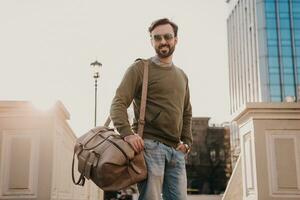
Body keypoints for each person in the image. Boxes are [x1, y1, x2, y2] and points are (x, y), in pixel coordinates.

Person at [110, 18, 192, 200]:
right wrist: (127, 133)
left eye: (167, 37)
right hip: (149, 147)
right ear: (151, 41)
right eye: (157, 38)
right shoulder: (140, 68)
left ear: (176, 40)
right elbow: (118, 103)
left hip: (176, 152)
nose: (163, 41)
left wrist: (186, 143)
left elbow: (186, 112)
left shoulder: (182, 76)